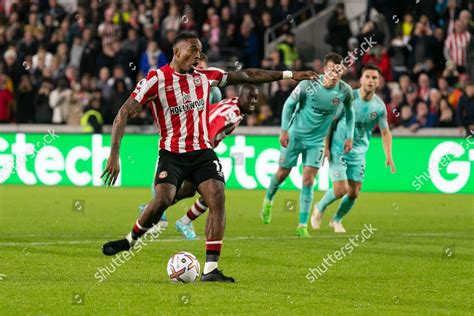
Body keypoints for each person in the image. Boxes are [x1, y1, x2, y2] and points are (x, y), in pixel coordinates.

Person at [100, 32, 317, 282]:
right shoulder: (156, 79)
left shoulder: (206, 77)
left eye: (200, 50)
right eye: (192, 50)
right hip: (172, 153)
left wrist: (291, 75)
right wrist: (114, 154)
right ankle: (130, 240)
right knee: (163, 200)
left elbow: (248, 75)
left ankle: (211, 269)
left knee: (217, 197)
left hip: (202, 152)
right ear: (177, 52)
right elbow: (123, 113)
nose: (198, 56)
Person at [143, 84, 258, 240]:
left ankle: (158, 209)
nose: (253, 101)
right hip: (194, 147)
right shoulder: (231, 113)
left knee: (192, 191)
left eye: (256, 98)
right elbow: (210, 130)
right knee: (214, 192)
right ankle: (167, 213)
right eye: (249, 97)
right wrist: (205, 158)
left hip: (193, 143)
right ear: (240, 96)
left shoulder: (233, 105)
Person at [260, 53, 355, 238]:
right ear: (325, 69)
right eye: (331, 69)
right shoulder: (308, 84)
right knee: (282, 173)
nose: (335, 74)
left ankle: (302, 225)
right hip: (296, 135)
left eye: (339, 70)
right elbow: (289, 105)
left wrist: (349, 137)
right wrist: (284, 130)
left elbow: (350, 113)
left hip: (317, 142)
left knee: (308, 180)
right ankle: (268, 200)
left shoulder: (345, 91)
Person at [311, 64, 396, 233]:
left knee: (354, 192)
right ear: (361, 79)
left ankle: (336, 220)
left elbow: (386, 133)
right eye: (367, 77)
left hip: (359, 153)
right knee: (341, 189)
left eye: (374, 78)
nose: (370, 81)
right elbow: (330, 122)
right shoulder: (348, 98)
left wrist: (389, 156)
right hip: (339, 149)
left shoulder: (379, 107)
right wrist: (325, 146)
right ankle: (319, 207)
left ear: (379, 82)